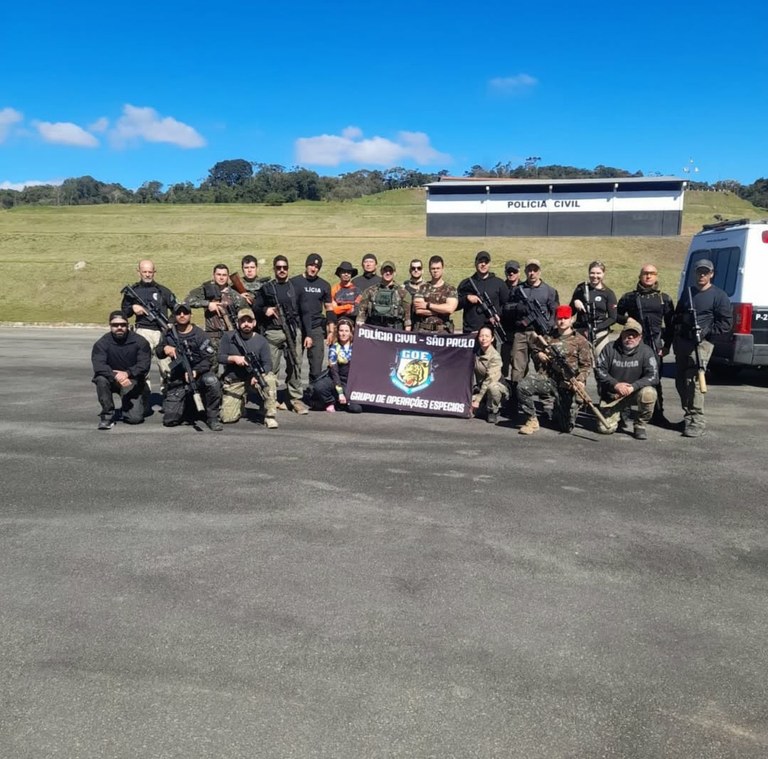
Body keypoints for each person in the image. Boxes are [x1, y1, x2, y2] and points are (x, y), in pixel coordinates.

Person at [673, 258, 733, 437]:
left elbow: (725, 324)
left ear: (711, 274)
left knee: (694, 381)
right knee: (680, 381)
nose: (702, 275)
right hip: (683, 342)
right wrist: (681, 327)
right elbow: (677, 315)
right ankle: (688, 416)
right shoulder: (688, 293)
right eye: (699, 271)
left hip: (702, 344)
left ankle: (697, 421)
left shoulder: (719, 296)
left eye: (705, 272)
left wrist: (706, 332)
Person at [516, 304, 593, 435]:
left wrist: (580, 381)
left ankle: (560, 409)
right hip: (549, 380)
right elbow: (535, 349)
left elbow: (586, 365)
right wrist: (539, 354)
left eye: (565, 318)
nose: (562, 321)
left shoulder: (581, 341)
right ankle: (532, 420)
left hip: (568, 384)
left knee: (566, 427)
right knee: (523, 386)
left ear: (571, 319)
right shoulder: (548, 337)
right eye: (559, 318)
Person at [616, 263, 675, 423]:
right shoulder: (629, 297)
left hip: (655, 345)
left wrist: (667, 346)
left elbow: (671, 325)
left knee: (655, 379)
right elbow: (616, 316)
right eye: (645, 273)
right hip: (633, 344)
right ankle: (624, 413)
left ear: (656, 276)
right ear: (640, 276)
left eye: (652, 273)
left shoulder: (664, 299)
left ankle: (657, 414)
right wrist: (628, 319)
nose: (648, 276)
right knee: (629, 376)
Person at [253, 256, 307, 414]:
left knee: (295, 365)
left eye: (284, 267)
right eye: (278, 267)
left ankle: (295, 399)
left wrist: (307, 334)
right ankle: (271, 399)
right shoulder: (267, 288)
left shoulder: (296, 287)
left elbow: (305, 312)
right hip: (273, 332)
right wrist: (266, 310)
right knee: (271, 367)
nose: (282, 270)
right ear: (274, 269)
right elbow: (256, 307)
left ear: (288, 268)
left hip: (293, 330)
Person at [157, 303, 223, 431]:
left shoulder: (200, 334)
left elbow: (208, 359)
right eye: (178, 313)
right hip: (178, 378)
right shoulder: (168, 333)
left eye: (185, 312)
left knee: (212, 381)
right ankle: (188, 408)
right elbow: (158, 352)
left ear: (190, 315)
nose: (182, 315)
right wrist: (164, 348)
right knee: (170, 420)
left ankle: (212, 417)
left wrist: (196, 371)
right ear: (175, 316)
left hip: (199, 376)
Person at [120, 258, 177, 398]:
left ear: (154, 272)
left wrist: (170, 323)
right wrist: (133, 308)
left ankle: (168, 399)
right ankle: (143, 399)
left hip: (161, 332)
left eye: (150, 272)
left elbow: (177, 308)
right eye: (144, 271)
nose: (147, 274)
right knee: (141, 367)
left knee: (166, 368)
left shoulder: (163, 291)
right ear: (138, 272)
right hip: (142, 331)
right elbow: (124, 313)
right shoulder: (133, 291)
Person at [594, 318, 659, 439]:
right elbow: (599, 370)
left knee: (649, 393)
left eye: (634, 335)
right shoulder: (609, 348)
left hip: (634, 392)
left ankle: (640, 425)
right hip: (613, 394)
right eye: (627, 334)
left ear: (640, 337)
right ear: (621, 334)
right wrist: (616, 384)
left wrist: (633, 387)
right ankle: (618, 416)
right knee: (605, 429)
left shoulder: (646, 351)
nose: (630, 337)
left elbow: (653, 376)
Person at [502, 258, 559, 390]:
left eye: (535, 270)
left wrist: (548, 327)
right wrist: (517, 307)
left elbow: (555, 312)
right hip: (521, 333)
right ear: (525, 272)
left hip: (540, 335)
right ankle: (516, 396)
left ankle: (546, 398)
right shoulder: (518, 289)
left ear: (540, 272)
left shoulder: (549, 291)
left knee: (543, 366)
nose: (532, 273)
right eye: (529, 270)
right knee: (518, 367)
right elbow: (506, 308)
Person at [219, 308, 279, 428]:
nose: (246, 324)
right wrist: (234, 358)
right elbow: (219, 357)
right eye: (243, 321)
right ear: (238, 323)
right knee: (227, 418)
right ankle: (240, 404)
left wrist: (259, 375)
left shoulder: (261, 341)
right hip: (235, 381)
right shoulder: (228, 337)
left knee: (269, 380)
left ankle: (269, 416)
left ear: (254, 323)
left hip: (253, 379)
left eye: (249, 321)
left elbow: (268, 364)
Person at [91, 310, 151, 429]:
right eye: (115, 325)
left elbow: (144, 365)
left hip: (131, 380)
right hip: (111, 378)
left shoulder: (140, 341)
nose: (119, 327)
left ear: (127, 325)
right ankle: (107, 416)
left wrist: (128, 373)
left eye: (123, 325)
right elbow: (98, 365)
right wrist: (115, 375)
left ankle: (140, 400)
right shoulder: (102, 343)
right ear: (110, 325)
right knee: (101, 379)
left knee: (135, 419)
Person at [186, 263, 247, 372]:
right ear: (213, 275)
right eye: (218, 274)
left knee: (231, 371)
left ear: (228, 277)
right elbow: (187, 301)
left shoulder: (234, 295)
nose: (221, 277)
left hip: (230, 337)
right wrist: (207, 304)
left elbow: (244, 312)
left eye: (224, 275)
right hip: (211, 338)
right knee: (210, 370)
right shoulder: (205, 290)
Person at [292, 253, 335, 385]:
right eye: (311, 265)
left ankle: (313, 392)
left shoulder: (324, 285)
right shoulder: (294, 282)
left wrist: (331, 330)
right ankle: (294, 393)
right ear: (306, 265)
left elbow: (329, 308)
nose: (313, 268)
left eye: (317, 267)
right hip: (298, 327)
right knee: (294, 364)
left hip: (316, 327)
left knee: (316, 365)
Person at [312, 318, 363, 413]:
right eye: (341, 330)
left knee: (356, 408)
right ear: (337, 332)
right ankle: (330, 401)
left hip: (351, 382)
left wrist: (361, 326)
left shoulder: (358, 346)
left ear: (351, 332)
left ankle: (341, 403)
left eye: (346, 331)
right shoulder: (334, 348)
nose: (343, 333)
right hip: (337, 379)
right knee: (319, 387)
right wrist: (340, 393)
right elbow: (334, 373)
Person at [570, 261, 618, 355]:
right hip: (581, 331)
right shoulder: (581, 289)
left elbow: (613, 318)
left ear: (603, 274)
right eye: (592, 273)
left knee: (601, 359)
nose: (595, 276)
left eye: (598, 273)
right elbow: (571, 311)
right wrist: (575, 301)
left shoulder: (608, 293)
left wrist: (596, 328)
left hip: (600, 333)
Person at [457, 250, 508, 334]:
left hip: (492, 330)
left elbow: (506, 304)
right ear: (475, 263)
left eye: (486, 262)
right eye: (480, 261)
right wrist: (466, 298)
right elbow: (455, 305)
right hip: (471, 331)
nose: (483, 264)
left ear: (489, 264)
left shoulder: (499, 283)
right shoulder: (466, 283)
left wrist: (497, 315)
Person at [356, 260, 412, 330]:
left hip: (395, 330)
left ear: (394, 273)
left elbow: (407, 316)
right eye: (385, 270)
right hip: (375, 329)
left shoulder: (402, 292)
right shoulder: (370, 291)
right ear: (381, 272)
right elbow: (362, 312)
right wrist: (360, 324)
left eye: (390, 271)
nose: (388, 273)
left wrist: (407, 329)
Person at [471, 325, 509, 424]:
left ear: (492, 339)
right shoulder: (475, 352)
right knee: (464, 408)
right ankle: (483, 405)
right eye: (481, 336)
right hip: (482, 389)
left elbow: (489, 380)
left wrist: (477, 400)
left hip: (496, 388)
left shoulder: (495, 357)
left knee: (493, 387)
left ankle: (493, 411)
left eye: (487, 336)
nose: (484, 338)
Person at [412, 255, 459, 333]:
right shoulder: (422, 288)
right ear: (429, 270)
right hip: (424, 331)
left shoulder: (450, 289)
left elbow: (450, 309)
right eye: (433, 268)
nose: (435, 271)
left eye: (438, 268)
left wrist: (428, 305)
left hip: (443, 331)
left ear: (442, 269)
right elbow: (418, 310)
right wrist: (441, 310)